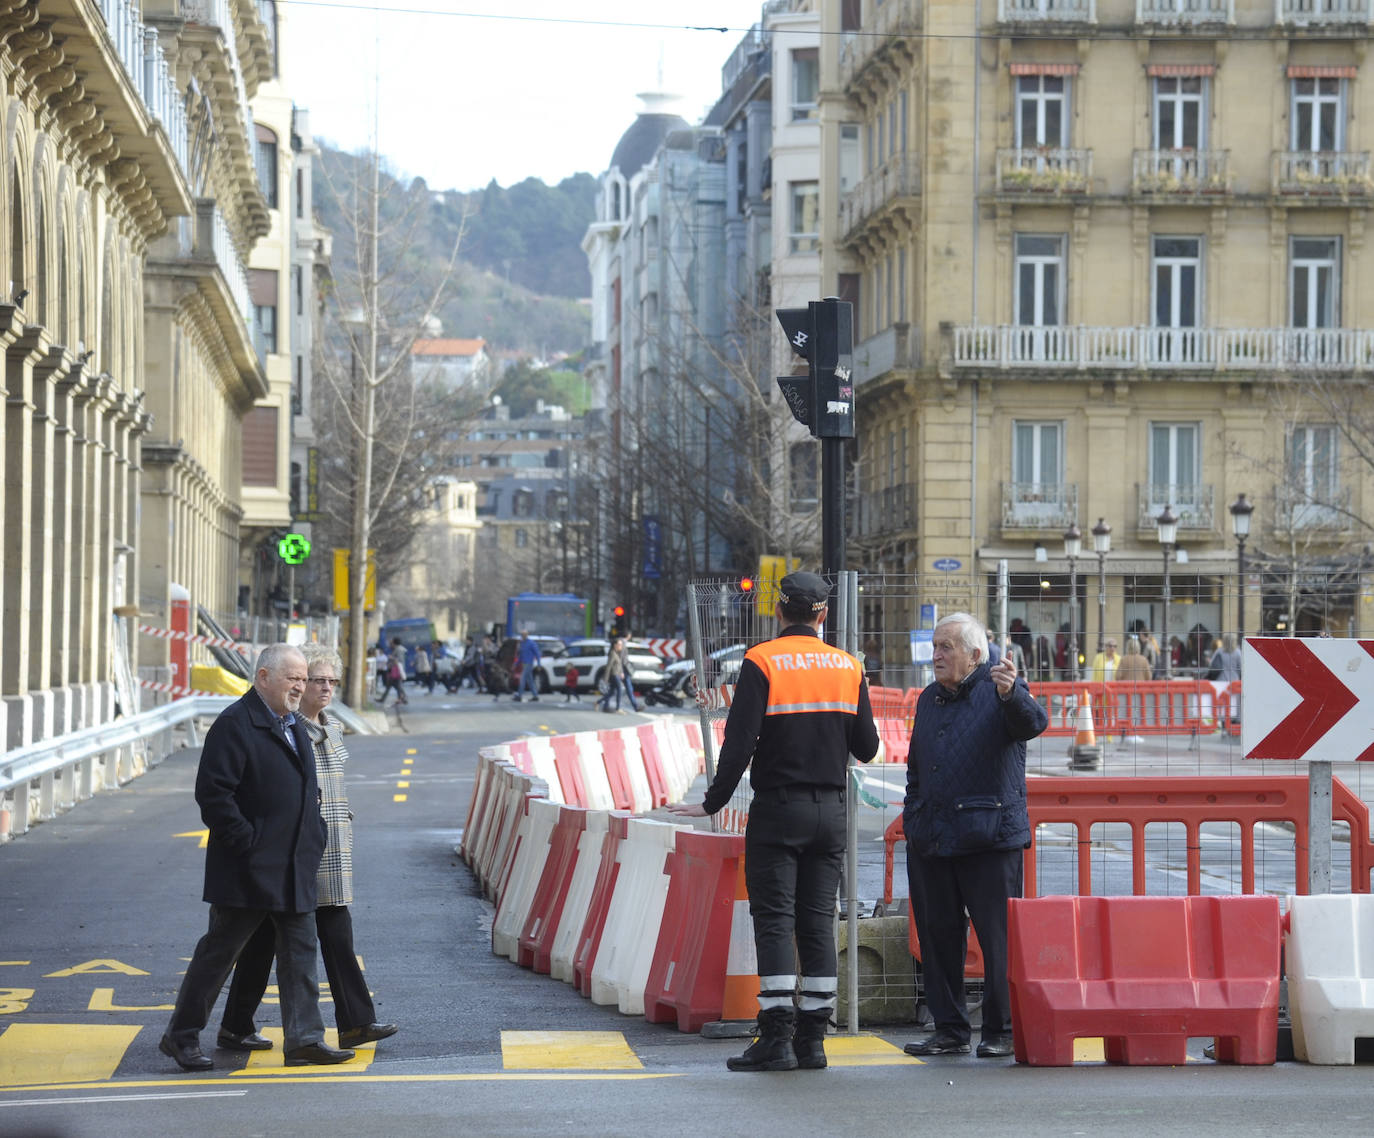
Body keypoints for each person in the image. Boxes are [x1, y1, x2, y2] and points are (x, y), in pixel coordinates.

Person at [667, 572, 880, 1073]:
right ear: (823, 615)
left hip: (778, 812)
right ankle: (814, 1041)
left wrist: (713, 802)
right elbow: (867, 749)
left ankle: (777, 1039)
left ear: (779, 612)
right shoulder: (848, 668)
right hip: (830, 812)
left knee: (775, 921)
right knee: (817, 924)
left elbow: (739, 744)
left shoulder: (762, 660)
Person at [159, 645, 354, 1071]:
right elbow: (213, 796)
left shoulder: (293, 725)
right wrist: (248, 842)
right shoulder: (235, 724)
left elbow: (306, 790)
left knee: (301, 954)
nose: (301, 686)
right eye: (293, 678)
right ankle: (181, 1036)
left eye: (304, 678)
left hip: (294, 865)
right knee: (219, 955)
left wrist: (313, 835)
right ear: (263, 677)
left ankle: (304, 1039)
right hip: (248, 869)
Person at [219, 646, 399, 1055]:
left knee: (320, 933)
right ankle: (240, 1025)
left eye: (330, 682)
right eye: (316, 680)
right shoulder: (288, 727)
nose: (322, 688)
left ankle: (241, 1025)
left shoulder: (330, 727)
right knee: (266, 939)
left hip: (330, 845)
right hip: (298, 849)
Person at [902, 612, 1048, 1060]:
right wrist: (913, 817)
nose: (937, 655)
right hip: (933, 836)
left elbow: (1033, 723)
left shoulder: (1001, 688)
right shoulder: (929, 698)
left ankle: (1000, 1030)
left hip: (989, 838)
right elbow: (916, 767)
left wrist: (1011, 695)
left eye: (947, 647)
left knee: (997, 938)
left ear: (976, 654)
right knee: (937, 935)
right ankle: (949, 1030)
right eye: (935, 647)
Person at [597, 636, 639, 714]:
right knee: (619, 690)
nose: (621, 646)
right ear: (615, 645)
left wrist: (621, 672)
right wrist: (605, 679)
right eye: (619, 644)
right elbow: (608, 666)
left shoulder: (617, 653)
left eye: (621, 644)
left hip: (617, 674)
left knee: (612, 692)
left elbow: (619, 665)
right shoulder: (612, 654)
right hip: (614, 674)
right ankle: (618, 708)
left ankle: (600, 704)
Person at [514, 630, 542, 703]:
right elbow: (521, 656)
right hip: (524, 664)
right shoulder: (522, 644)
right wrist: (516, 664)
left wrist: (539, 664)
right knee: (530, 681)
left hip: (529, 663)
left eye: (524, 634)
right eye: (522, 634)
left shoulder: (531, 643)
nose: (523, 636)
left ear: (527, 635)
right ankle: (535, 696)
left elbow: (537, 654)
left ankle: (519, 695)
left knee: (522, 678)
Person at [379, 639, 408, 706]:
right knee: (393, 686)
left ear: (394, 643)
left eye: (391, 643)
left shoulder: (399, 650)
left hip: (397, 671)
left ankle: (402, 698)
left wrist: (391, 658)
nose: (390, 645)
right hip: (394, 670)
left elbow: (399, 660)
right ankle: (401, 698)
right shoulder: (397, 649)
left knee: (398, 686)